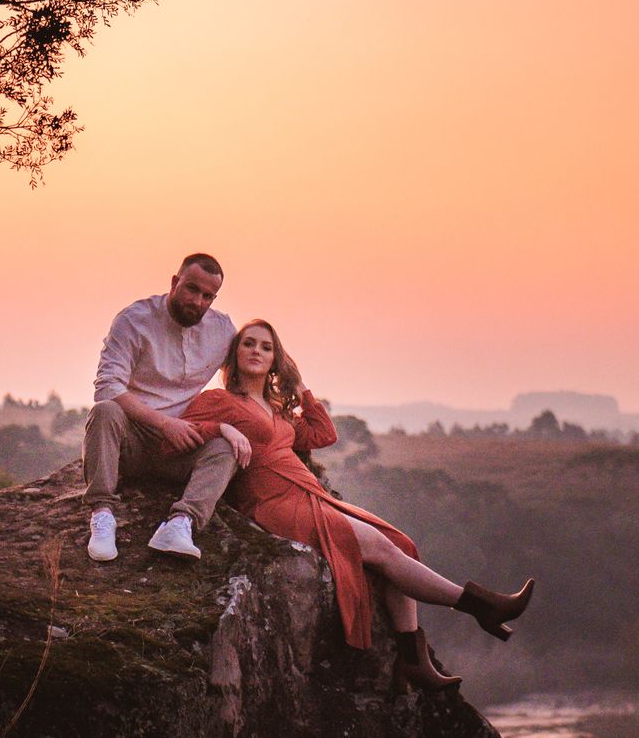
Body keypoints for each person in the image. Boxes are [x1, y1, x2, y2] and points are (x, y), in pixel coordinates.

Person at [180, 320, 535, 693]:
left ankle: (413, 660)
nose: (256, 351)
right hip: (271, 501)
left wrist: (300, 388)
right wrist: (223, 430)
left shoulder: (277, 408)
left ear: (275, 360)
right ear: (234, 353)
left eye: (266, 347)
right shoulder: (220, 401)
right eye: (248, 344)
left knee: (398, 543)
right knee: (381, 549)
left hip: (308, 494)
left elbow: (323, 434)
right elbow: (182, 432)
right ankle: (482, 606)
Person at [84, 253, 239, 562]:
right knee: (104, 411)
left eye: (208, 296)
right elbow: (108, 386)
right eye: (192, 289)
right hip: (131, 439)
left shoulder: (222, 330)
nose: (198, 301)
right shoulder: (134, 320)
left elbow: (243, 380)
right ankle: (102, 515)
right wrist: (165, 424)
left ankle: (180, 524)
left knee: (228, 447)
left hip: (179, 447)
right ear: (174, 282)